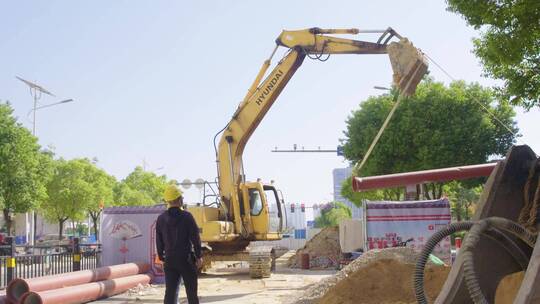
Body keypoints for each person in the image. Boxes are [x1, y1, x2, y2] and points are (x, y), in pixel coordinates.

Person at [156, 184, 202, 304]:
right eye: (181, 197)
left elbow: (159, 241)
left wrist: (162, 257)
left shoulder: (161, 219)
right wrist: (199, 256)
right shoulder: (187, 217)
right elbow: (195, 238)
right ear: (178, 199)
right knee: (191, 293)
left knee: (170, 293)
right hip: (186, 259)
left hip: (169, 260)